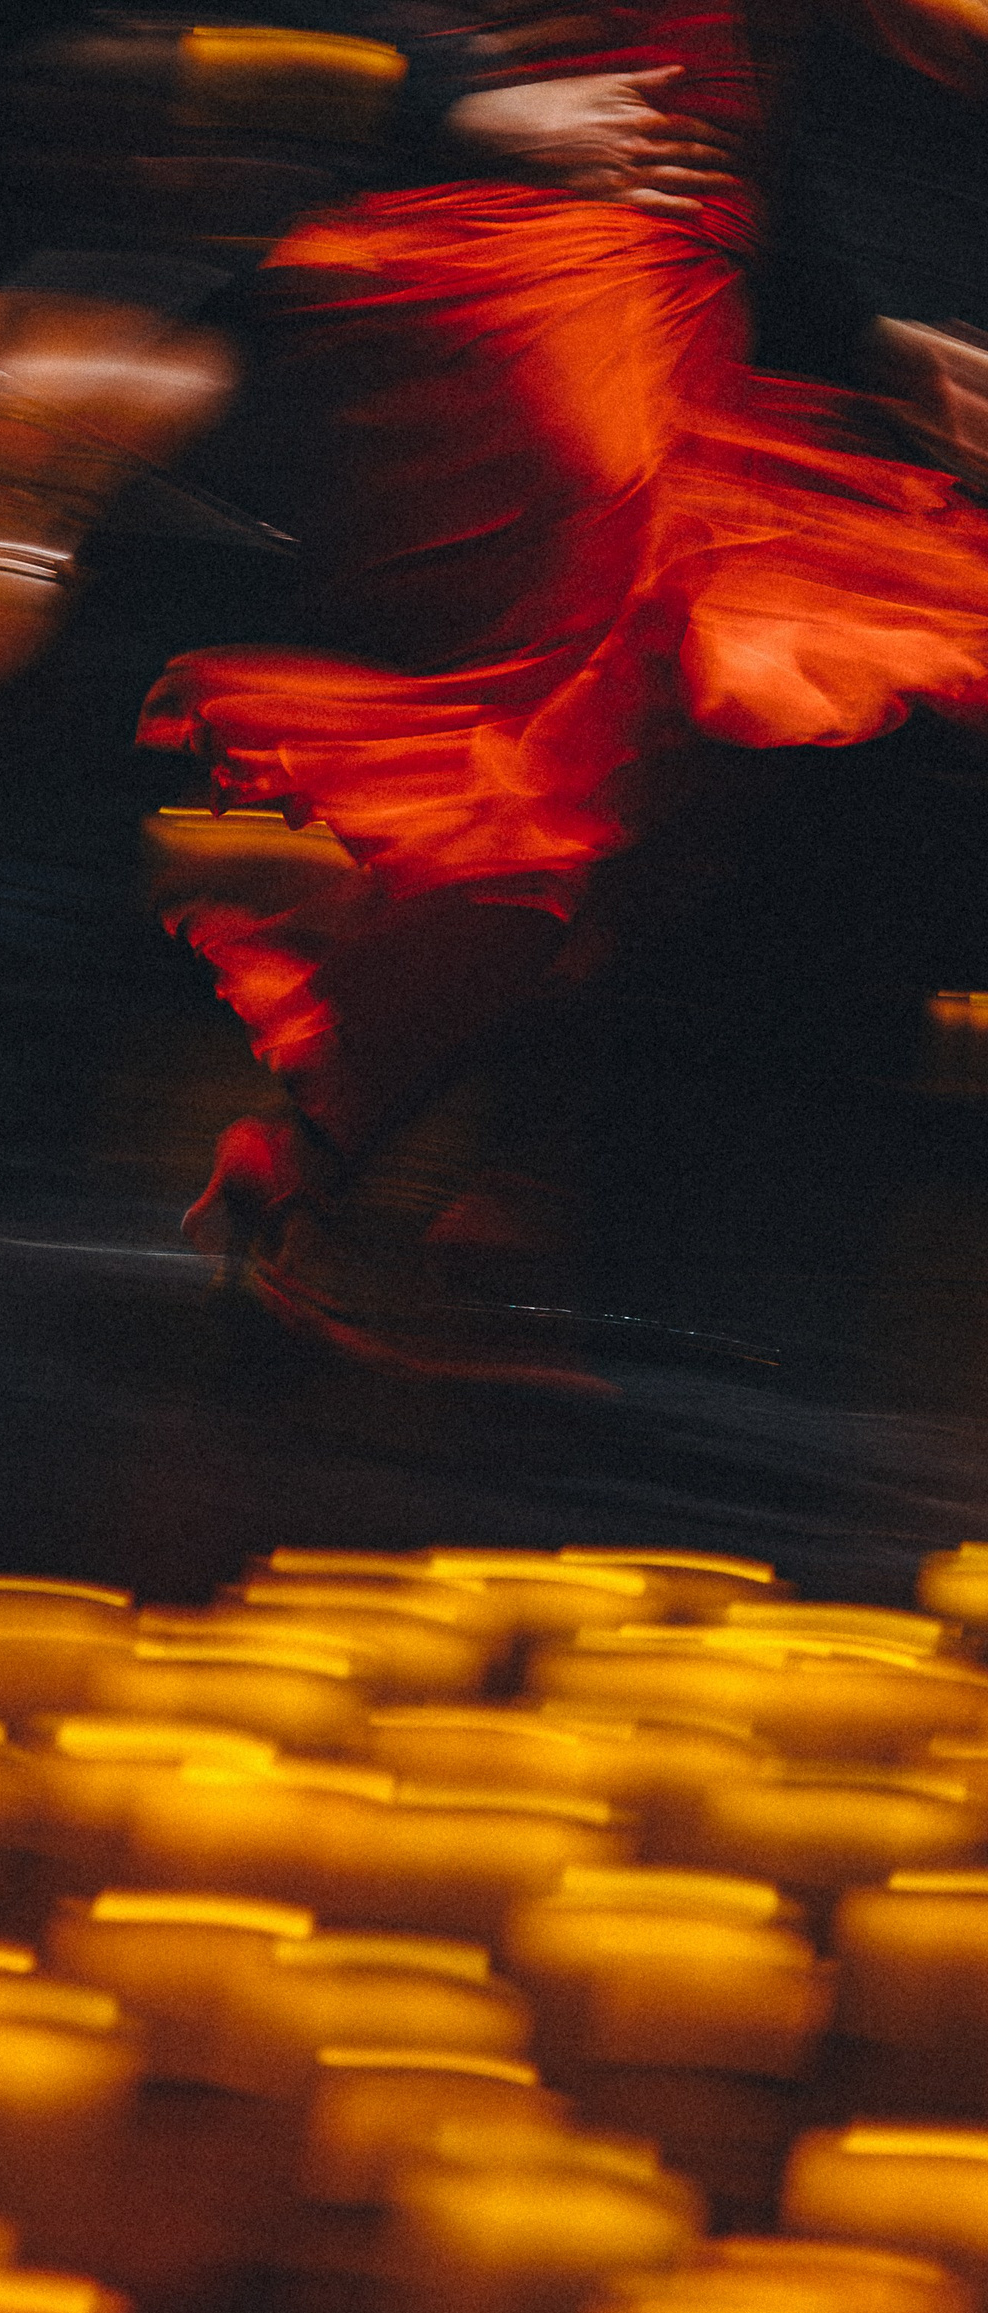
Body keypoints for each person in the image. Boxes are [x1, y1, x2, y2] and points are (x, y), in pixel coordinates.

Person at [135, 0, 988, 1384]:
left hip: (690, 299)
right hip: (541, 262)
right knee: (595, 723)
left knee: (676, 763)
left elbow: (753, 101)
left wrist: (876, 338)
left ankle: (416, 1185)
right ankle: (366, 1176)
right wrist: (463, 102)